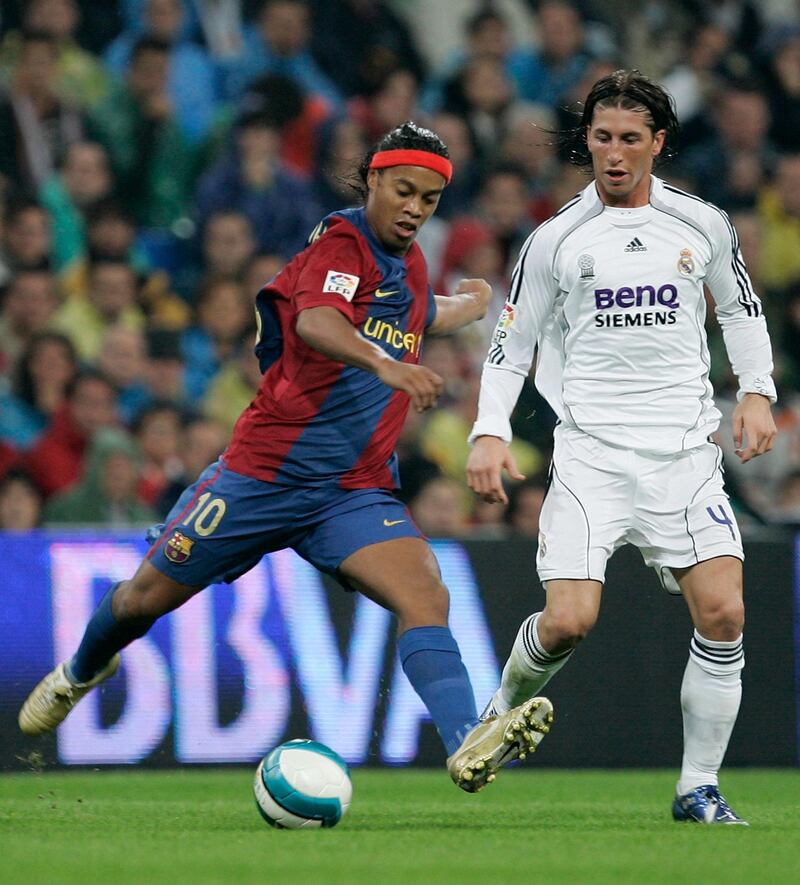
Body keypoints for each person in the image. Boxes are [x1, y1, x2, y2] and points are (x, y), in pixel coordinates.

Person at [18, 122, 554, 792]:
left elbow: (411, 313)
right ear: (374, 181)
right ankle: (80, 670)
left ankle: (466, 741)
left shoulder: (408, 263)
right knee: (141, 599)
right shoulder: (342, 242)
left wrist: (468, 305)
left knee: (425, 590)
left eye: (430, 198)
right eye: (404, 190)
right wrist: (385, 365)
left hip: (350, 492)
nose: (416, 207)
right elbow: (317, 321)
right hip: (261, 475)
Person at [466, 70, 777, 824]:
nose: (613, 152)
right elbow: (511, 347)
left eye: (630, 138)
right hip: (592, 458)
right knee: (570, 619)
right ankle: (500, 709)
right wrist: (488, 430)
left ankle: (697, 786)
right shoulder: (556, 239)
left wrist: (760, 390)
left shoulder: (701, 224)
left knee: (725, 613)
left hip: (684, 456)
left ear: (657, 143)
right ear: (588, 143)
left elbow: (740, 308)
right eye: (601, 137)